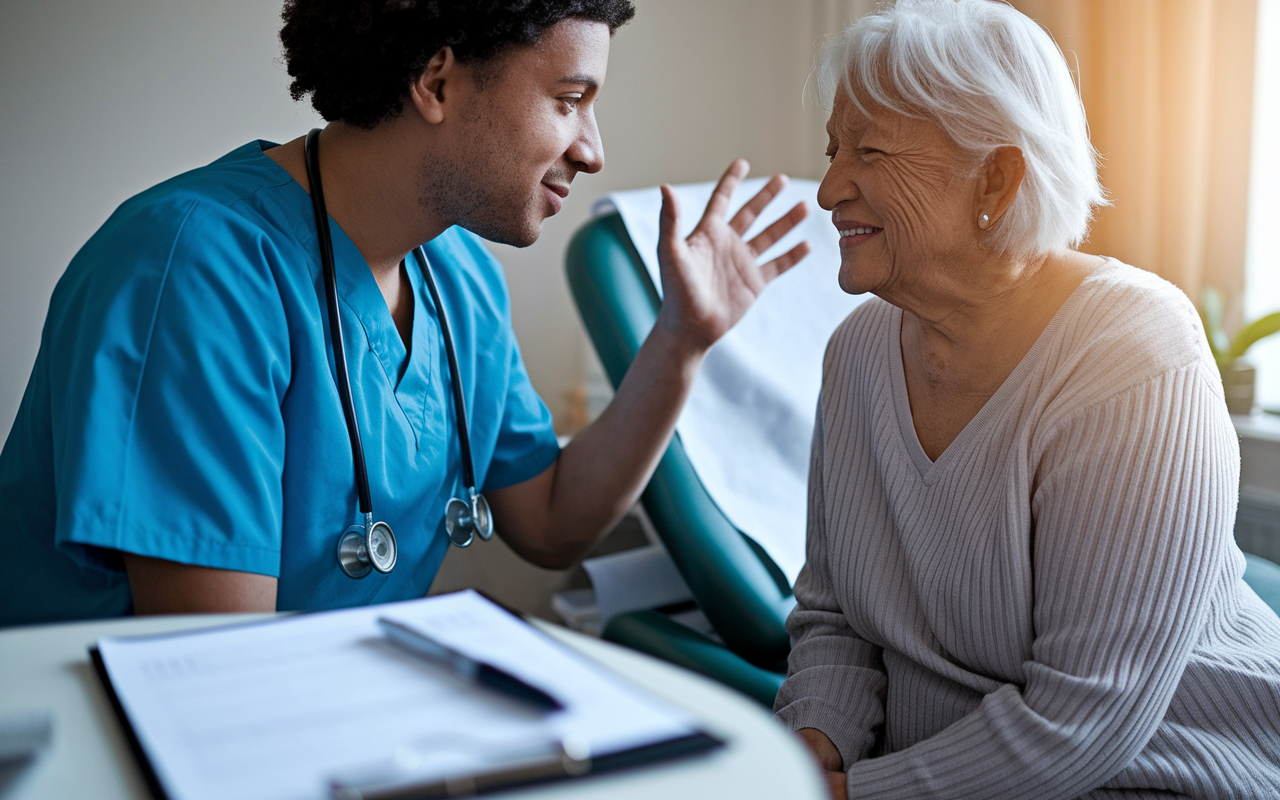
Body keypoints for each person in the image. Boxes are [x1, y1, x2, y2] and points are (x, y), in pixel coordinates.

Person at [0, 0, 810, 624]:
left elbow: (554, 520)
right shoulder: (192, 270)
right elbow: (215, 667)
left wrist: (680, 342)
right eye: (569, 99)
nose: (592, 149)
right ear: (436, 82)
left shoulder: (458, 277)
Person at [773, 1, 1280, 798]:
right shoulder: (857, 353)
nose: (831, 187)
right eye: (835, 150)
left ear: (997, 178)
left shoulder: (1136, 357)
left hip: (1164, 773)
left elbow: (1084, 723)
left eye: (869, 151)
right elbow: (836, 619)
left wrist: (845, 797)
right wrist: (812, 748)